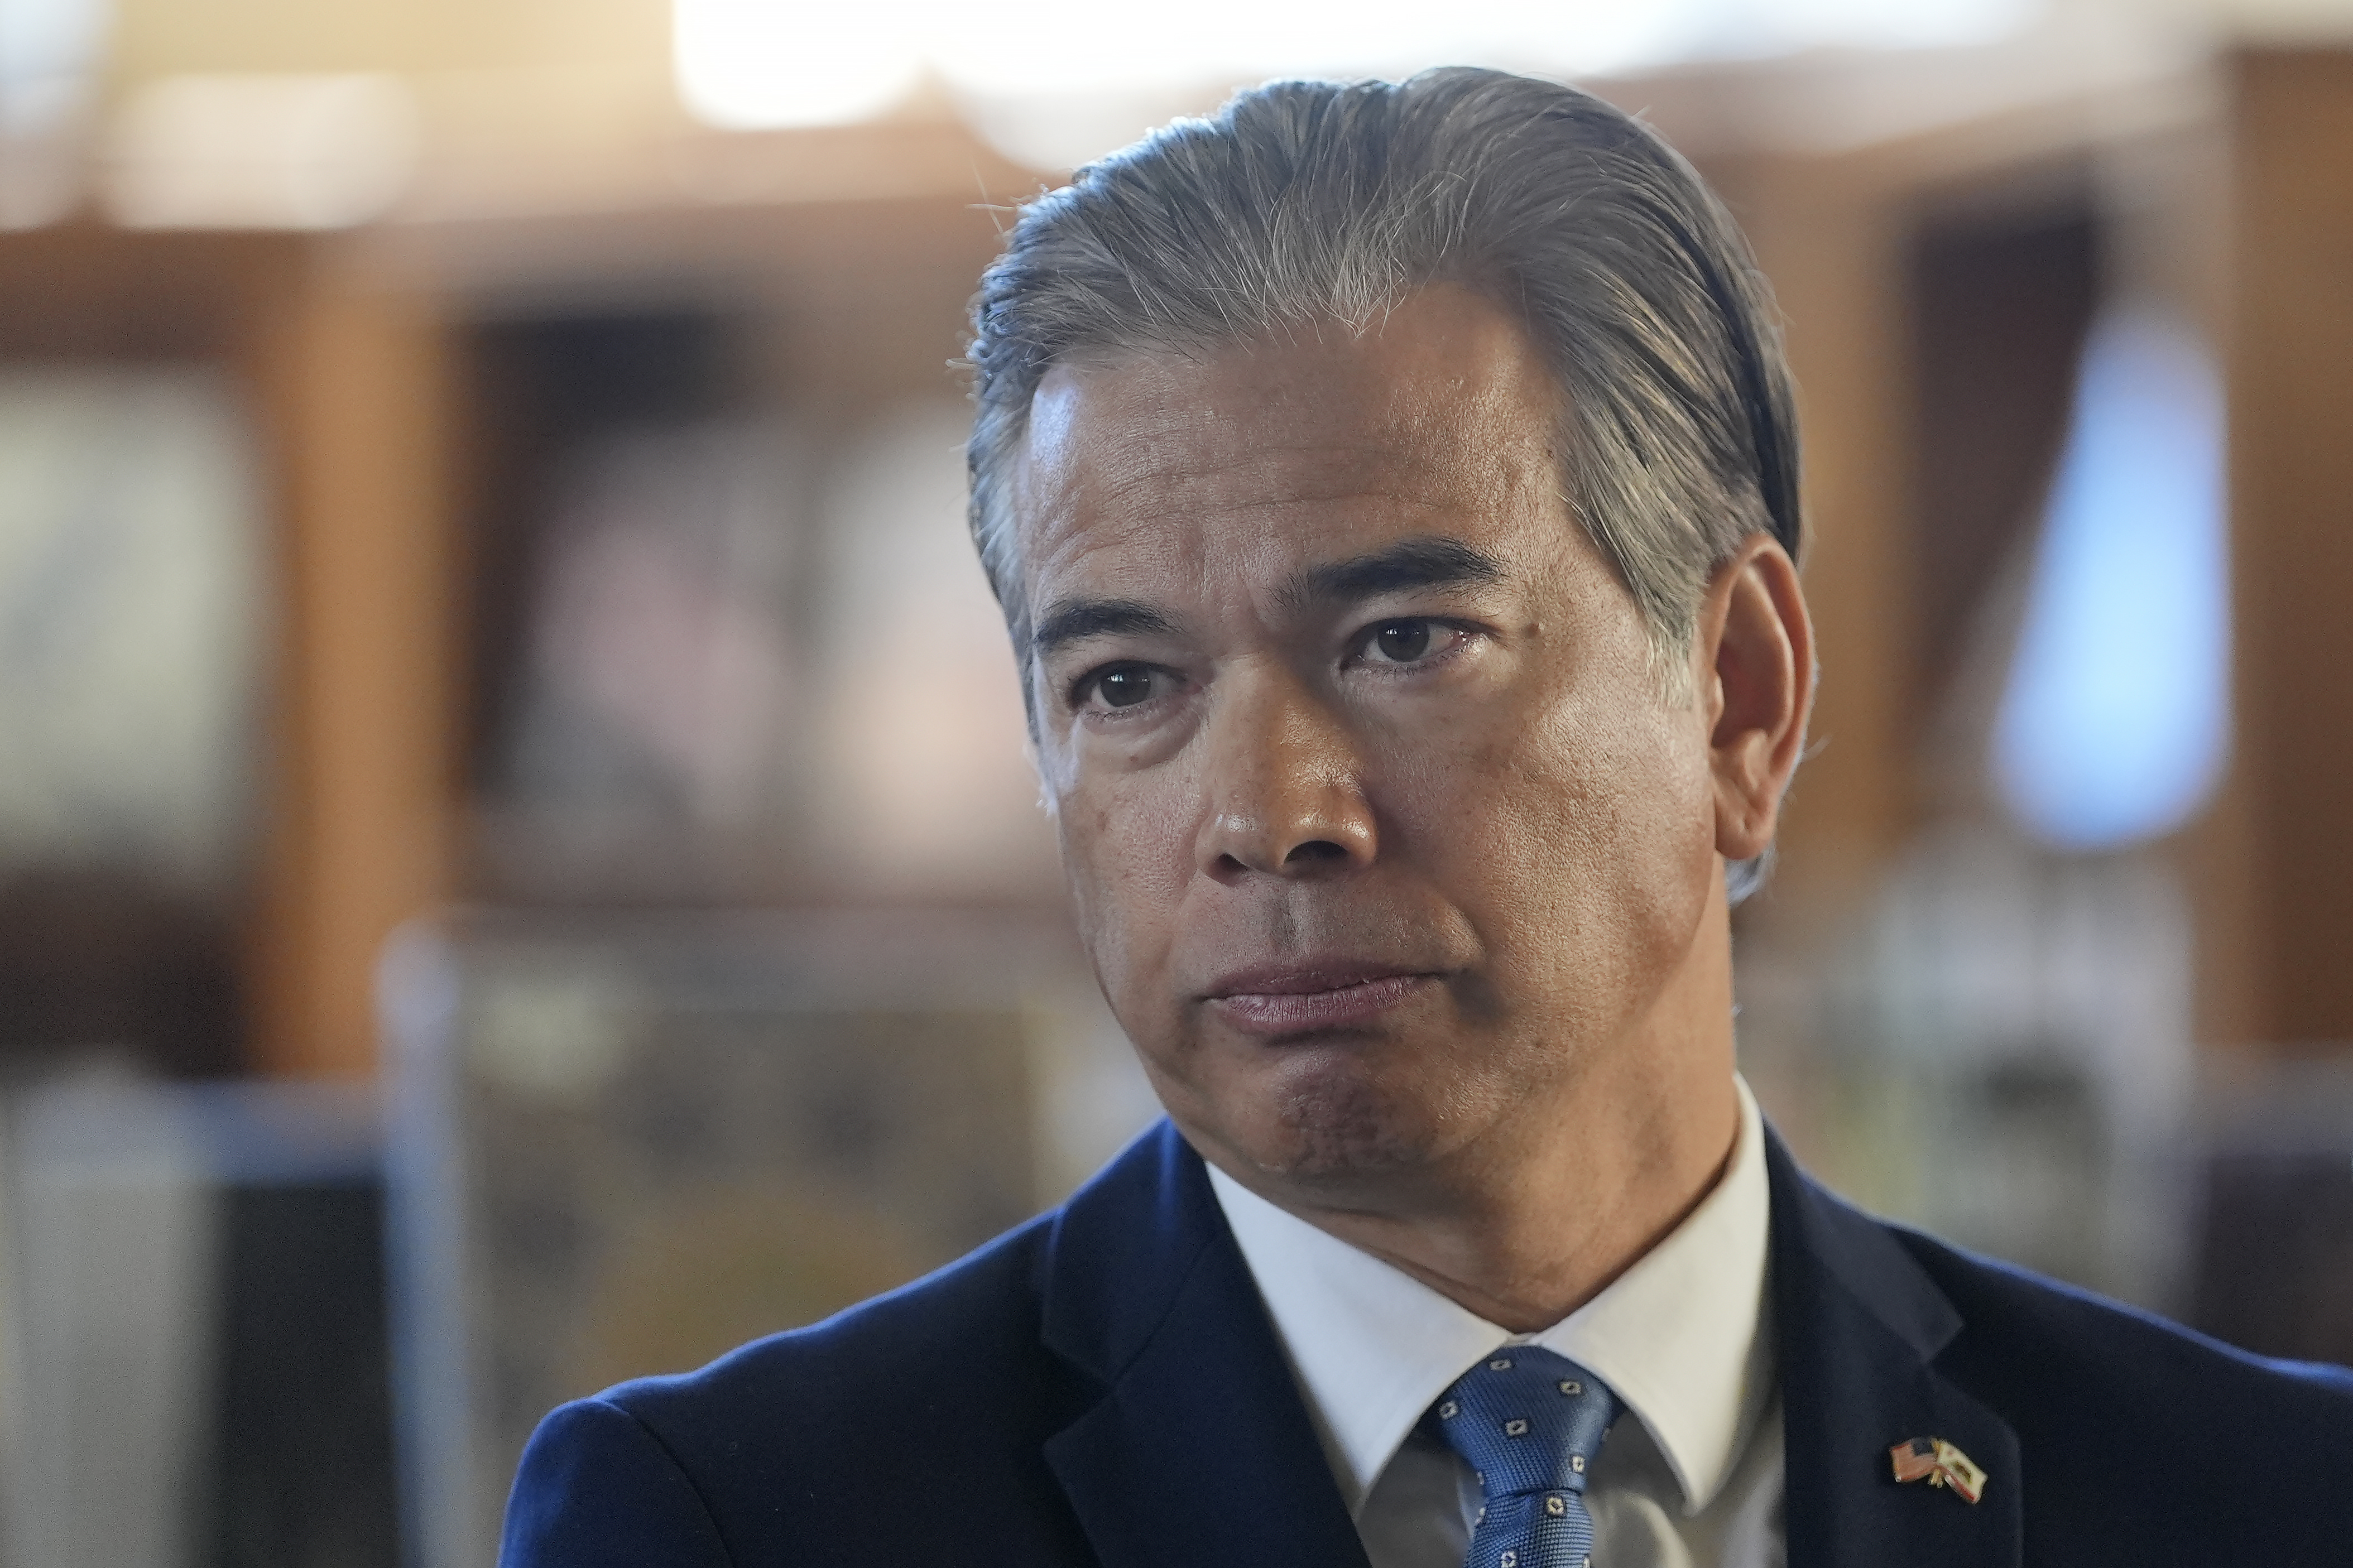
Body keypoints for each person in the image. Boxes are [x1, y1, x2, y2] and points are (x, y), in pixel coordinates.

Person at [500, 68, 2353, 1568]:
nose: (1261, 817)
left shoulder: (2260, 1502)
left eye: (1402, 640)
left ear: (1740, 695)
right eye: (1127, 684)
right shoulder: (735, 1523)